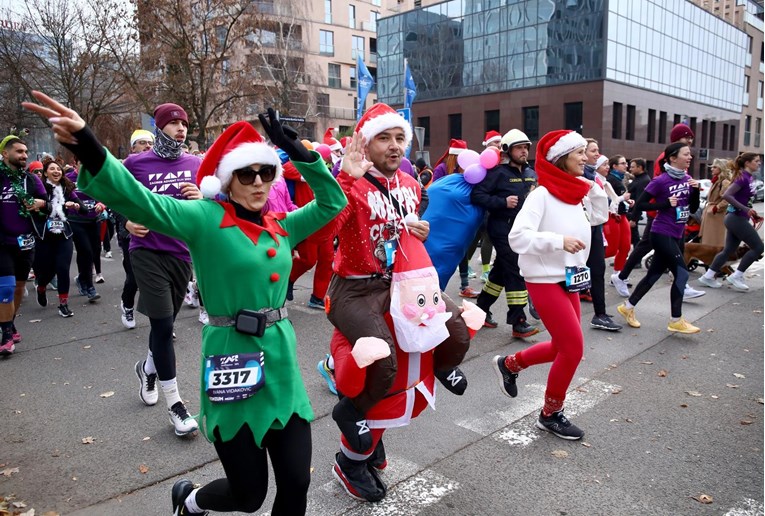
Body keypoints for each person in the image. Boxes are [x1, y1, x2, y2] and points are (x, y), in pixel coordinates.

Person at [24, 92, 346, 515]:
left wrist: (297, 152)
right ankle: (190, 500)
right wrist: (87, 143)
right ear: (227, 181)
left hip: (282, 365)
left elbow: (332, 203)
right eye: (245, 175)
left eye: (265, 173)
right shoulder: (204, 219)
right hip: (233, 360)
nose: (257, 183)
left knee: (296, 482)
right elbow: (142, 201)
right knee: (248, 497)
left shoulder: (282, 225)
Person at [321, 103, 471, 498]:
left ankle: (441, 366)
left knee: (455, 330)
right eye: (383, 138)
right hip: (355, 289)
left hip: (403, 283)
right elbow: (324, 230)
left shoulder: (409, 183)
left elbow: (403, 228)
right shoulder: (351, 184)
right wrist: (345, 181)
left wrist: (417, 230)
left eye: (399, 138)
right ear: (365, 144)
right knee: (384, 363)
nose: (393, 146)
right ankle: (351, 427)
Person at [493, 129, 607, 440]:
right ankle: (550, 413)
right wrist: (558, 241)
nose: (586, 158)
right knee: (573, 349)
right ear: (561, 159)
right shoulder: (541, 195)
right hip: (544, 280)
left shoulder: (573, 193)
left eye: (586, 152)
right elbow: (517, 238)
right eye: (579, 153)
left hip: (569, 278)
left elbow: (598, 218)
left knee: (561, 346)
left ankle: (510, 364)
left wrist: (593, 190)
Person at [119, 102, 204, 437]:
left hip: (181, 252)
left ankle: (147, 368)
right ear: (159, 127)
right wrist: (125, 220)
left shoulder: (194, 163)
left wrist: (200, 197)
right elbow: (116, 195)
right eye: (173, 123)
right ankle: (176, 405)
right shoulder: (136, 163)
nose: (181, 128)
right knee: (163, 324)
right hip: (147, 251)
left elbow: (211, 205)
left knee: (163, 324)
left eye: (184, 123)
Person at [612, 125, 705, 300]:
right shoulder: (667, 159)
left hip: (674, 218)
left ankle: (630, 299)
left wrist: (691, 193)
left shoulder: (682, 163)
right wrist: (664, 204)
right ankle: (622, 277)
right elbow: (660, 186)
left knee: (659, 260)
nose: (690, 142)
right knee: (644, 248)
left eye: (691, 138)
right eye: (687, 138)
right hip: (661, 218)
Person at [616, 142, 701, 334]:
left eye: (690, 155)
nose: (690, 157)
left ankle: (627, 307)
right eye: (686, 154)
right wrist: (663, 204)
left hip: (678, 233)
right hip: (662, 233)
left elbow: (693, 208)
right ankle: (676, 319)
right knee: (682, 273)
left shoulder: (688, 179)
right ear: (672, 158)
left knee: (653, 275)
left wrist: (694, 191)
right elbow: (640, 204)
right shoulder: (661, 181)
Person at [470, 129, 539, 337]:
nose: (524, 151)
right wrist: (502, 202)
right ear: (508, 150)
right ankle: (518, 321)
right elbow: (477, 195)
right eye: (519, 147)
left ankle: (481, 308)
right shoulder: (497, 173)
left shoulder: (531, 173)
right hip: (501, 229)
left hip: (523, 230)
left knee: (500, 271)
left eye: (526, 147)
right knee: (515, 269)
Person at [0, 136, 47, 355]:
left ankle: (8, 323)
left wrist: (40, 203)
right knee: (6, 287)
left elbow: (46, 206)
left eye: (26, 151)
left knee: (19, 287)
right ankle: (7, 337)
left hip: (26, 241)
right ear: (5, 154)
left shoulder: (31, 180)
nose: (24, 155)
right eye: (19, 151)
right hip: (2, 242)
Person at [698, 153, 763, 292]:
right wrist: (745, 209)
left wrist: (749, 210)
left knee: (728, 250)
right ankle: (737, 275)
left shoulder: (748, 177)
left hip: (736, 218)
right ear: (747, 163)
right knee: (758, 247)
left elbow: (744, 199)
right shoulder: (742, 177)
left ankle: (708, 276)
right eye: (757, 161)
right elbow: (727, 195)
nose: (759, 163)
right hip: (736, 218)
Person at [32, 159, 84, 318]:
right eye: (52, 169)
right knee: (46, 271)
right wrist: (58, 206)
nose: (56, 171)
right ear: (45, 172)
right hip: (44, 236)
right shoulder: (39, 189)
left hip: (64, 235)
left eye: (59, 169)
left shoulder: (67, 189)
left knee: (63, 268)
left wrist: (76, 206)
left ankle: (63, 304)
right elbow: (35, 207)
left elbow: (82, 208)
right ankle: (41, 287)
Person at [580, 139, 622, 331]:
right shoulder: (577, 175)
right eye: (592, 151)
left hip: (595, 228)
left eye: (598, 150)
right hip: (579, 230)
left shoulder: (594, 176)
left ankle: (600, 314)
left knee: (597, 270)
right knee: (574, 272)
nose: (597, 154)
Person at [604, 155, 632, 279]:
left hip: (622, 215)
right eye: (623, 163)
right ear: (614, 166)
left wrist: (628, 201)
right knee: (611, 250)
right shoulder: (609, 180)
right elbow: (608, 200)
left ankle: (618, 276)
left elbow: (619, 199)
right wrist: (623, 199)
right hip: (613, 216)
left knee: (625, 247)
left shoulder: (620, 179)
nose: (626, 165)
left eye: (626, 163)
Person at [698, 158, 732, 248]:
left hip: (716, 216)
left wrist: (717, 207)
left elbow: (727, 199)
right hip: (712, 214)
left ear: (721, 168)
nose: (712, 169)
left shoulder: (724, 182)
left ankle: (714, 259)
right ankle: (710, 259)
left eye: (715, 167)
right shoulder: (717, 181)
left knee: (715, 241)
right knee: (709, 240)